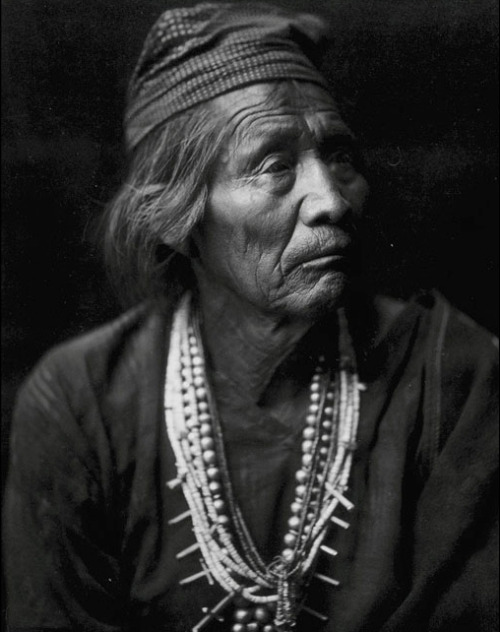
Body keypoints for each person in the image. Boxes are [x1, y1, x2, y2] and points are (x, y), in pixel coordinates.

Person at [3, 3, 498, 632]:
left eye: (338, 155)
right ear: (177, 217)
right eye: (273, 165)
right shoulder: (79, 404)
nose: (331, 200)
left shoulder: (454, 377)